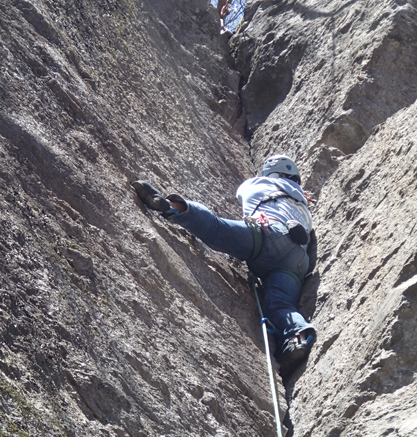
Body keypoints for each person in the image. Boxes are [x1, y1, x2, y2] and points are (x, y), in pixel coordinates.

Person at [132, 154, 317, 372]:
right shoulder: (303, 205)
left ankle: (172, 207)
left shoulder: (259, 183)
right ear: (294, 178)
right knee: (280, 305)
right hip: (296, 262)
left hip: (269, 234)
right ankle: (299, 336)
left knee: (216, 229)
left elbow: (244, 193)